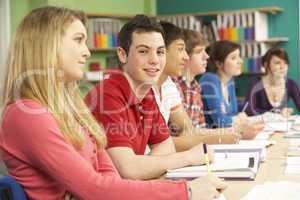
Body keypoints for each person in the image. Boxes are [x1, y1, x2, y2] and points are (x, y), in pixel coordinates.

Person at [0, 7, 226, 200]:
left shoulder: (73, 109)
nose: (87, 52)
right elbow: (95, 187)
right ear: (46, 45)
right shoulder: (27, 115)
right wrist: (185, 191)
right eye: (78, 40)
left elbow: (108, 177)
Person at [84, 14, 224, 186]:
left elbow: (166, 148)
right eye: (143, 51)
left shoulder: (146, 92)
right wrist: (188, 157)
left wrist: (143, 166)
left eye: (160, 52)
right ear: (122, 55)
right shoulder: (107, 95)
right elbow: (128, 169)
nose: (155, 60)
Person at [154, 23, 240, 152]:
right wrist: (221, 136)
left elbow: (190, 131)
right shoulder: (206, 80)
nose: (206, 56)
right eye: (199, 52)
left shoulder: (183, 85)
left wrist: (228, 132)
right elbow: (161, 143)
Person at [199, 40, 264, 139]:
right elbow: (220, 121)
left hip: (226, 138)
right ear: (219, 63)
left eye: (239, 56)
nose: (240, 61)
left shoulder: (230, 82)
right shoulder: (209, 79)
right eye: (234, 58)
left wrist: (237, 118)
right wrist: (237, 119)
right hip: (211, 140)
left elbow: (233, 113)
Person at [245, 47, 300, 116]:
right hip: (259, 125)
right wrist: (277, 113)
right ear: (266, 65)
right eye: (278, 63)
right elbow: (249, 110)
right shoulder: (255, 83)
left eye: (285, 63)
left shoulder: (291, 84)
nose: (283, 67)